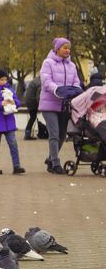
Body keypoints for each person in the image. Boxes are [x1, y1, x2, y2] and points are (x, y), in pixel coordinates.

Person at [40, 37, 81, 174]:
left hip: (65, 105)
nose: (67, 50)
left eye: (69, 48)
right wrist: (57, 90)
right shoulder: (48, 63)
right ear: (57, 49)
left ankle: (50, 158)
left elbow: (76, 81)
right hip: (50, 104)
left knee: (63, 134)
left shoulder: (72, 65)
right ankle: (55, 164)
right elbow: (46, 81)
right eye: (65, 47)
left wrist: (76, 90)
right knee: (54, 134)